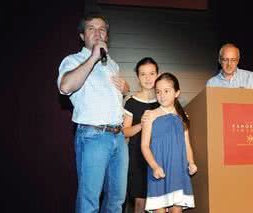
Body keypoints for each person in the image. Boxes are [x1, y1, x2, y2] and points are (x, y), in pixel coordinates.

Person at [57, 13, 130, 213]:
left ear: (107, 36)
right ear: (82, 35)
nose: (98, 33)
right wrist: (93, 58)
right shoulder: (73, 61)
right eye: (91, 28)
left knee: (116, 200)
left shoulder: (112, 65)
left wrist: (125, 89)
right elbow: (65, 86)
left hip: (119, 137)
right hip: (93, 136)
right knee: (89, 201)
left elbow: (111, 100)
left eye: (102, 30)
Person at [141, 72, 197, 213]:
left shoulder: (183, 117)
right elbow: (144, 146)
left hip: (178, 171)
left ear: (177, 92)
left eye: (166, 91)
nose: (162, 95)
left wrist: (191, 162)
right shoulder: (150, 115)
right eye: (158, 91)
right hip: (159, 171)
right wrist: (154, 166)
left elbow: (186, 144)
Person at [123, 57, 160, 213]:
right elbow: (125, 131)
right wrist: (141, 125)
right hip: (137, 158)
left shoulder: (163, 100)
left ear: (158, 74)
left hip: (159, 156)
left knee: (159, 202)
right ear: (137, 77)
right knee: (140, 203)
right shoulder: (131, 101)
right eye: (143, 74)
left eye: (152, 73)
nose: (148, 78)